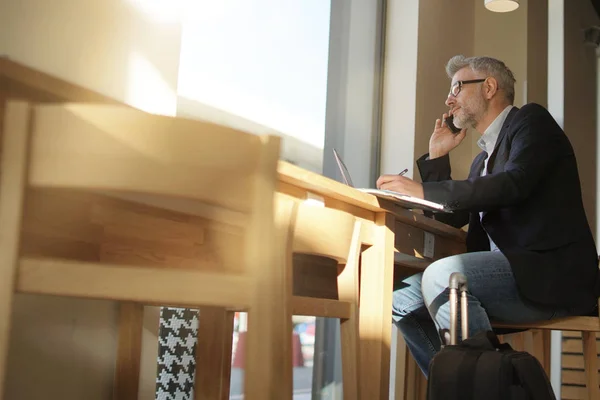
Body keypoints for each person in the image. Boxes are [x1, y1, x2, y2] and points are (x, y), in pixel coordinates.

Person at [376, 55, 600, 376]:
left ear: (490, 87)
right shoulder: (482, 161)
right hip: (509, 279)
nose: (448, 98)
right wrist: (438, 157)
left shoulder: (531, 121)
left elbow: (514, 183)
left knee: (443, 278)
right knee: (402, 299)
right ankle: (470, 387)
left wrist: (422, 191)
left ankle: (485, 386)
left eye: (457, 87)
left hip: (551, 277)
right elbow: (450, 220)